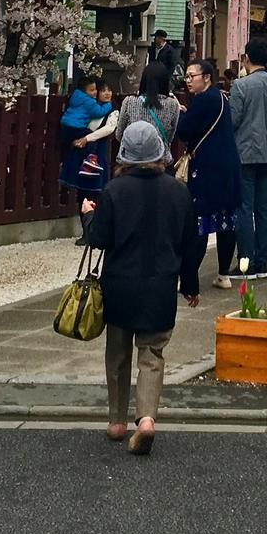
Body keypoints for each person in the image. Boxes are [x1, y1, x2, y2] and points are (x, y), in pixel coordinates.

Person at [81, 118, 202, 454]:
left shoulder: (114, 191)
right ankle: (146, 419)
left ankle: (117, 420)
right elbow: (190, 245)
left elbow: (100, 238)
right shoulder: (178, 192)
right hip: (161, 285)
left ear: (125, 155)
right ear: (159, 154)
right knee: (152, 354)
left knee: (117, 353)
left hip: (120, 284)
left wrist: (88, 214)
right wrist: (189, 285)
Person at [177, 56, 244, 285]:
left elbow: (184, 131)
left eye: (192, 76)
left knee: (201, 221)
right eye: (186, 76)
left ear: (206, 78)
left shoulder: (203, 100)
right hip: (228, 166)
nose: (188, 80)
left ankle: (189, 276)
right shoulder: (221, 97)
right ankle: (223, 274)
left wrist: (182, 114)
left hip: (208, 168)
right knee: (226, 221)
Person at [228, 38, 267, 277]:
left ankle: (246, 261)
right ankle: (261, 261)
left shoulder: (240, 86)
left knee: (244, 208)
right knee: (263, 209)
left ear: (246, 59)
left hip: (245, 152)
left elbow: (233, 121)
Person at [58, 76, 116, 198]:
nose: (107, 93)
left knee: (94, 194)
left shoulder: (112, 111)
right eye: (103, 90)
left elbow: (108, 129)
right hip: (83, 155)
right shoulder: (91, 105)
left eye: (109, 90)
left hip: (96, 156)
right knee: (83, 195)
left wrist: (86, 139)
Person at [120, 60, 181, 151]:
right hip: (160, 158)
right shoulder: (172, 104)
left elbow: (119, 134)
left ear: (144, 80)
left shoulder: (129, 101)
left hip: (131, 157)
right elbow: (170, 137)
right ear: (165, 81)